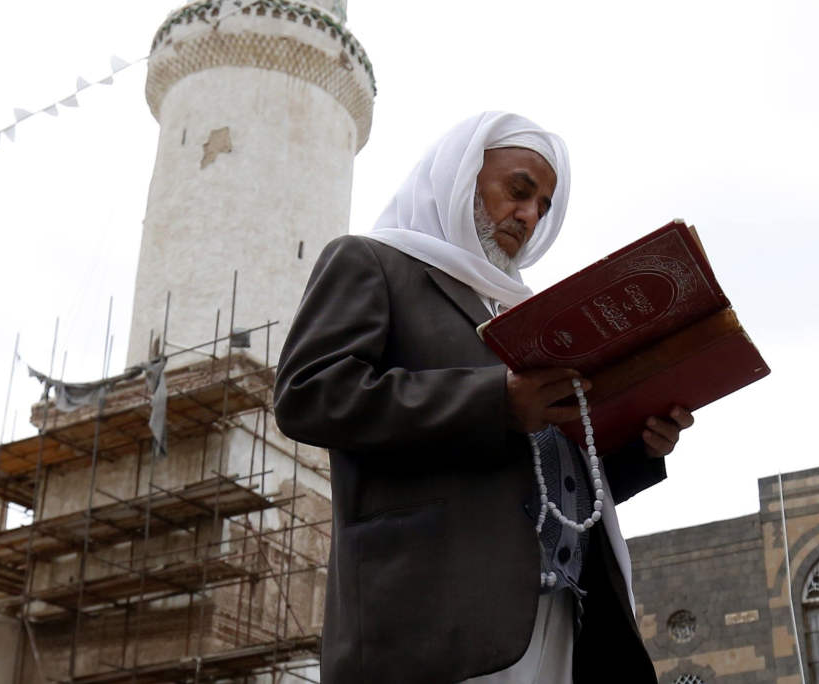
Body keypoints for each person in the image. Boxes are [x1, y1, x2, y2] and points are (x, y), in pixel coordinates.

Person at [274, 111, 693, 683]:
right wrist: (496, 402)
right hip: (434, 617)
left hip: (555, 619)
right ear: (461, 175)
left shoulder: (525, 313)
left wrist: (639, 446)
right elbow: (309, 392)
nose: (528, 215)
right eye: (518, 191)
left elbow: (542, 479)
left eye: (543, 205)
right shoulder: (373, 263)